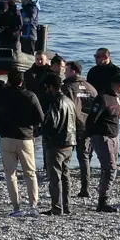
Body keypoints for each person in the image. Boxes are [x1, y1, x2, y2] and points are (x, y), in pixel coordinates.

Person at [0, 69, 45, 217]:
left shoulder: (2, 95)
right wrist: (31, 126)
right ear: (22, 81)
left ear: (8, 80)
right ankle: (33, 206)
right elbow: (40, 118)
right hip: (25, 137)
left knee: (10, 174)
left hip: (6, 137)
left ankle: (16, 207)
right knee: (30, 173)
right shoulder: (30, 96)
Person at [87, 73, 120, 212]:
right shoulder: (102, 98)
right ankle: (102, 201)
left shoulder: (118, 97)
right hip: (102, 136)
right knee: (110, 169)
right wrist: (90, 136)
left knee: (110, 168)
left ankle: (103, 196)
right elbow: (91, 119)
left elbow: (118, 116)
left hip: (114, 136)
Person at [41, 73, 77, 215]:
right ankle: (66, 206)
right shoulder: (69, 101)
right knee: (65, 175)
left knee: (55, 177)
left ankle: (56, 207)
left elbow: (52, 123)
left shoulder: (56, 101)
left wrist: (43, 131)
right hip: (69, 141)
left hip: (56, 143)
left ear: (50, 87)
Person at [62, 60, 98, 198]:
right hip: (89, 126)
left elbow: (65, 107)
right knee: (85, 157)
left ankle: (65, 187)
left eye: (66, 69)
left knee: (66, 156)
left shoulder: (67, 88)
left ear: (73, 71)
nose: (64, 72)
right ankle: (85, 187)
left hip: (73, 126)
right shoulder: (90, 88)